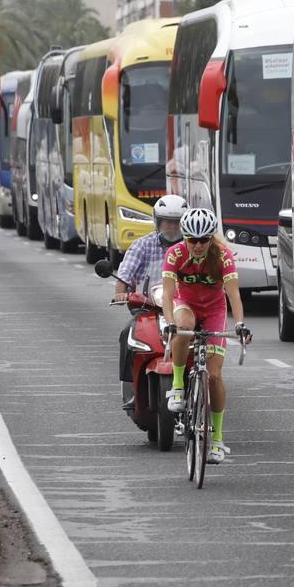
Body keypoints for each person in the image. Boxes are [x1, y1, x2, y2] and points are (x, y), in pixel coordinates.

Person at [161, 207, 250, 464]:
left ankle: (218, 439)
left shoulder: (222, 256)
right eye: (192, 240)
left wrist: (241, 324)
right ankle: (178, 386)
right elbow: (167, 295)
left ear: (211, 238)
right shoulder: (175, 254)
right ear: (184, 237)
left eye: (204, 240)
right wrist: (169, 322)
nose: (198, 245)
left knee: (213, 375)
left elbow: (233, 295)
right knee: (183, 324)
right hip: (185, 303)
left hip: (214, 308)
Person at [113, 194, 187, 410]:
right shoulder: (142, 246)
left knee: (203, 340)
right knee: (128, 334)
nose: (171, 227)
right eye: (167, 222)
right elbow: (123, 279)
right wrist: (121, 293)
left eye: (176, 222)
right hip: (148, 309)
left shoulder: (194, 247)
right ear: (157, 222)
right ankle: (130, 391)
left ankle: (205, 382)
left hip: (183, 308)